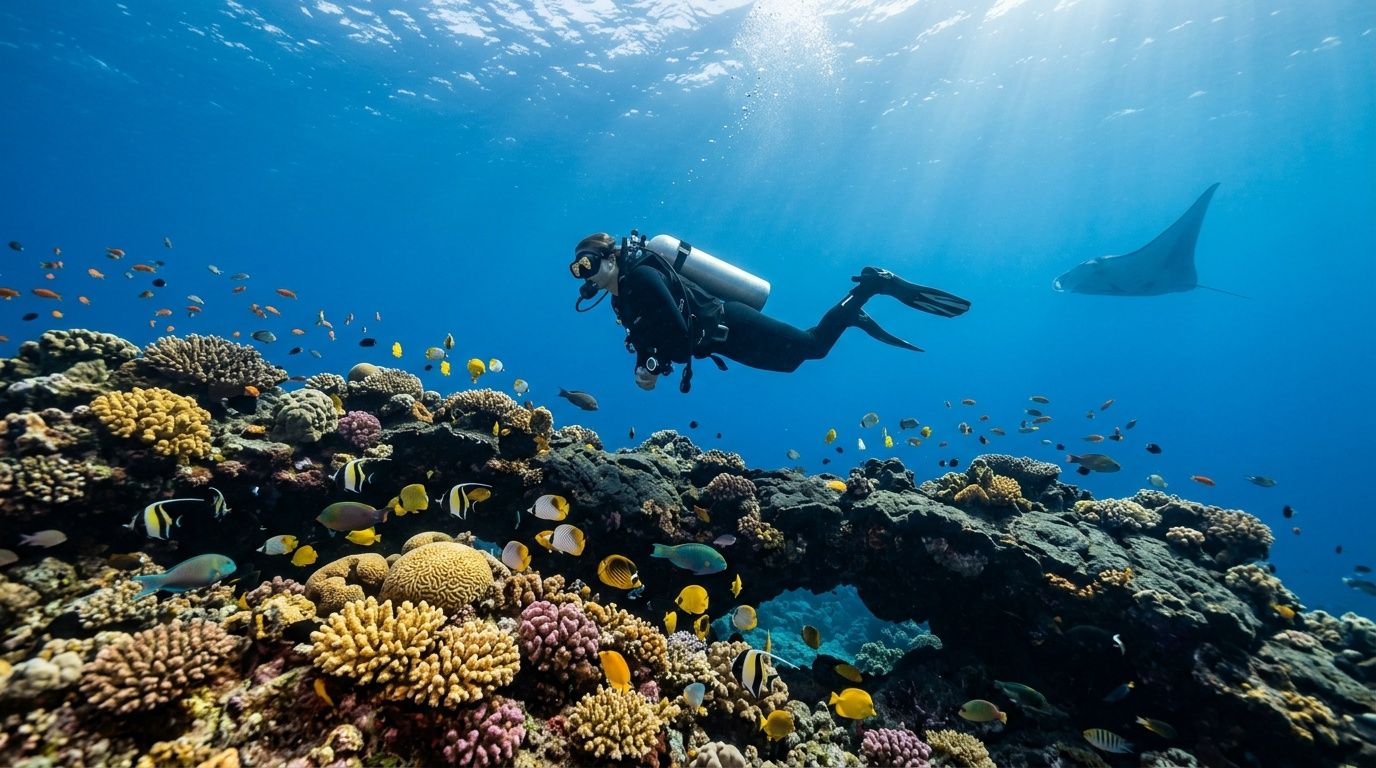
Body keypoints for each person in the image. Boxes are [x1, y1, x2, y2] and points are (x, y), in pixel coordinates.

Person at [570, 232, 970, 392]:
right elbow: (651, 336)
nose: (584, 275)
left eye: (587, 264)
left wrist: (656, 364)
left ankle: (870, 287)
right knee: (791, 363)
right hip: (721, 343)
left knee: (813, 347)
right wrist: (645, 363)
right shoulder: (622, 299)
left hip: (730, 321)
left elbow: (674, 330)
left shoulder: (641, 276)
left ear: (610, 257)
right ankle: (850, 314)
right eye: (578, 271)